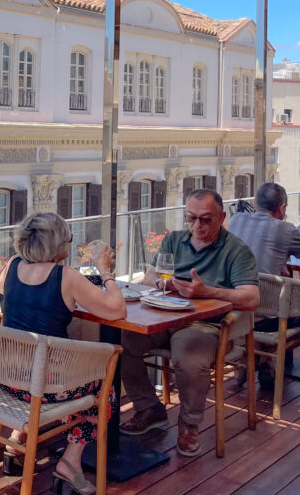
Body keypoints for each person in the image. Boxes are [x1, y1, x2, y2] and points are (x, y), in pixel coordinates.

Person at [119, 189, 259, 458]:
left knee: (188, 357)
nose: (197, 226)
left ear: (222, 217)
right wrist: (163, 283)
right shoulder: (173, 241)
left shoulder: (237, 251)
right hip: (165, 317)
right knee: (120, 344)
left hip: (206, 324)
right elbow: (150, 278)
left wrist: (207, 291)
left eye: (205, 220)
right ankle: (150, 409)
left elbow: (252, 298)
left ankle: (189, 424)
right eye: (191, 218)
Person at [0, 212, 126, 495]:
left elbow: (1, 290)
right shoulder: (66, 277)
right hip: (46, 388)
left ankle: (15, 442)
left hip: (10, 380)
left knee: (55, 372)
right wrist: (105, 272)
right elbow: (117, 310)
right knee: (106, 389)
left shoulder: (11, 266)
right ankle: (71, 461)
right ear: (58, 246)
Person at [229, 182, 300, 385]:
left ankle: (253, 358)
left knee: (275, 302)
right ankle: (267, 357)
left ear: (255, 203)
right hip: (263, 316)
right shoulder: (286, 229)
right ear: (282, 208)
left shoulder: (236, 220)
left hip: (233, 309)